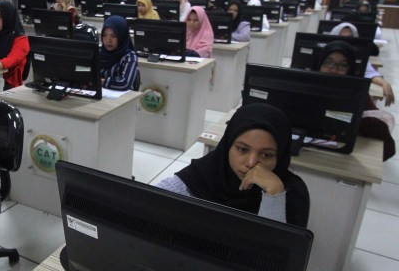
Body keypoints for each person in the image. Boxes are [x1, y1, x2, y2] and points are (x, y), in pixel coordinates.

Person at [156, 103, 310, 227]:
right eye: (242, 149)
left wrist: (274, 195)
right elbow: (152, 199)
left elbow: (274, 257)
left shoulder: (293, 194)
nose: (251, 163)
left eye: (266, 155)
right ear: (227, 146)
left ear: (280, 156)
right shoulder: (207, 171)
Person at [314, 41, 395, 161]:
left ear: (350, 69)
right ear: (319, 65)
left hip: (338, 155)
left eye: (342, 65)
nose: (334, 69)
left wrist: (357, 122)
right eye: (328, 63)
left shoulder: (358, 93)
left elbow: (387, 147)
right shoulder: (306, 87)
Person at [329, 22, 394, 106]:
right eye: (341, 38)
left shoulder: (355, 55)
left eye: (350, 38)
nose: (345, 41)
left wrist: (384, 83)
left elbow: (369, 72)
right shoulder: (323, 54)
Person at [99, 15, 138, 91]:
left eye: (113, 36)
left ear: (122, 36)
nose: (108, 40)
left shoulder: (130, 56)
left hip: (122, 100)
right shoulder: (99, 53)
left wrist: (98, 81)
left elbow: (124, 83)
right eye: (105, 35)